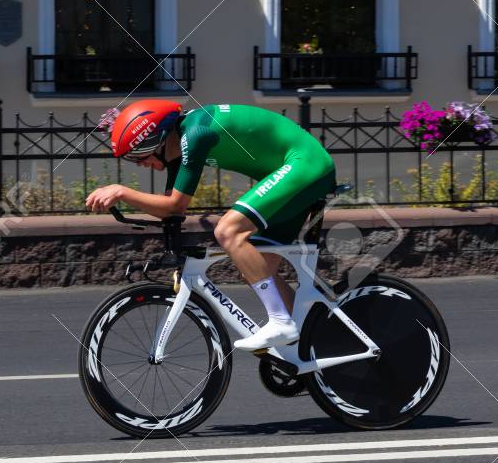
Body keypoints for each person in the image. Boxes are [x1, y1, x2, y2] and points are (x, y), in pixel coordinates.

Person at [86, 100, 336, 351]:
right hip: (292, 171)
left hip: (306, 164)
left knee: (229, 231)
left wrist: (121, 192)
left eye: (137, 155)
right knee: (255, 268)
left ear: (156, 140)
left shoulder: (195, 135)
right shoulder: (180, 144)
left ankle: (282, 323)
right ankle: (314, 341)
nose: (139, 163)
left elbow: (175, 206)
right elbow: (168, 208)